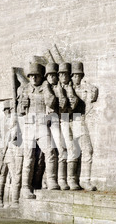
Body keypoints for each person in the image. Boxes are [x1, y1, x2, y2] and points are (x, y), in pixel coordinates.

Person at [18, 62, 59, 199]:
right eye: (31, 76)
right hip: (29, 125)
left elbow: (51, 101)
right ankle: (25, 187)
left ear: (41, 76)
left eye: (36, 76)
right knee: (29, 157)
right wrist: (22, 106)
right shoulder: (25, 90)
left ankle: (52, 180)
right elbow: (19, 111)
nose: (34, 78)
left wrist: (46, 88)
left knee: (50, 152)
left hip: (42, 124)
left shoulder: (45, 87)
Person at [70, 61, 98, 191]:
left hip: (79, 121)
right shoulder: (66, 88)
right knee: (69, 153)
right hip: (66, 121)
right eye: (74, 75)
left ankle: (85, 180)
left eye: (79, 75)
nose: (77, 78)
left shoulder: (83, 88)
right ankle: (69, 180)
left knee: (87, 150)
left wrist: (87, 85)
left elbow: (93, 94)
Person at [43, 62, 69, 190]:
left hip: (59, 121)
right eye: (50, 75)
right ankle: (48, 180)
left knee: (62, 149)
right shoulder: (43, 89)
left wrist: (60, 91)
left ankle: (61, 179)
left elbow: (63, 105)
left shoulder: (60, 88)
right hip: (48, 122)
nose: (52, 77)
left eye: (54, 75)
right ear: (46, 77)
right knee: (49, 153)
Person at [57, 62, 81, 190]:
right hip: (59, 120)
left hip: (71, 119)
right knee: (63, 150)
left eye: (65, 74)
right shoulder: (55, 88)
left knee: (73, 149)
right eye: (61, 74)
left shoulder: (71, 87)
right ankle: (62, 179)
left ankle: (71, 179)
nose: (63, 76)